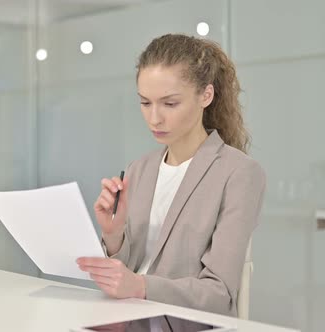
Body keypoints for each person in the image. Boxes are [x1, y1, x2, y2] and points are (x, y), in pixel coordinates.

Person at [76, 34, 266, 317]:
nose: (154, 118)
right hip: (127, 318)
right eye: (145, 103)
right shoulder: (139, 169)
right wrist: (113, 235)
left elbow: (219, 295)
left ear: (206, 96)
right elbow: (129, 273)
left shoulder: (239, 173)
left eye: (170, 104)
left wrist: (141, 286)